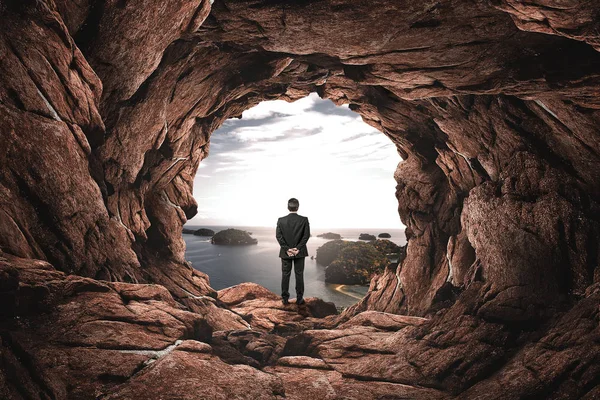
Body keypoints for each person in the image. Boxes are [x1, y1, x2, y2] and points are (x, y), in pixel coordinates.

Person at [276, 198, 310, 305]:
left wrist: (287, 249)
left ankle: (285, 299)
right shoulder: (304, 220)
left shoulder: (281, 220)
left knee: (285, 275)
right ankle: (299, 299)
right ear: (298, 207)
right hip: (299, 253)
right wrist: (297, 249)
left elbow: (279, 236)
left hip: (286, 253)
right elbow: (306, 236)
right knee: (299, 275)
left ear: (288, 207)